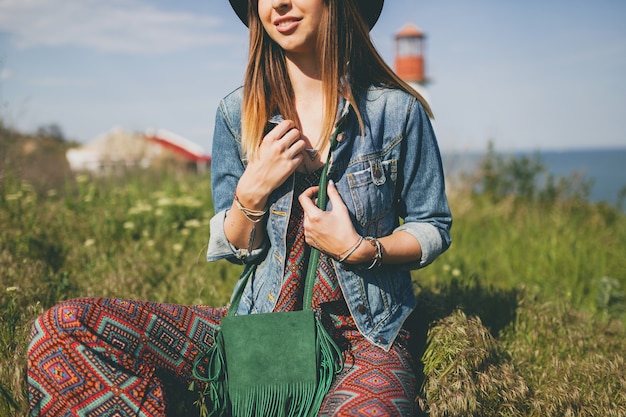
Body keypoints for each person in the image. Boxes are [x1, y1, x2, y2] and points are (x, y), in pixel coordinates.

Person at [27, 0, 451, 415]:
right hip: (259, 330)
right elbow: (238, 250)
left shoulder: (396, 112)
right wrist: (250, 195)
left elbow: (432, 225)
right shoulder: (237, 113)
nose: (280, 3)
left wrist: (361, 248)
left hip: (362, 339)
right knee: (62, 328)